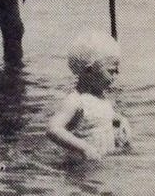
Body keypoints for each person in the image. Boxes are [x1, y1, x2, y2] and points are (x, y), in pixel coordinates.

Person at [47, 30, 131, 160]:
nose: (116, 75)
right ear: (89, 71)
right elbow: (53, 129)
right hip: (80, 168)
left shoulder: (103, 97)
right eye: (111, 71)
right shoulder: (75, 100)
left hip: (104, 163)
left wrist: (119, 126)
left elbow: (103, 121)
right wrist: (84, 148)